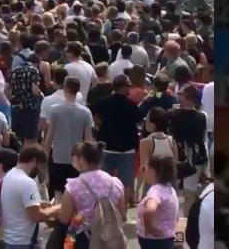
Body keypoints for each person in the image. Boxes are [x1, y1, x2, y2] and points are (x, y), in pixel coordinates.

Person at [57, 141, 126, 249]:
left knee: (68, 239)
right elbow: (122, 214)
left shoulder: (73, 186)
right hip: (111, 237)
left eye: (74, 156)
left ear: (82, 159)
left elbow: (64, 218)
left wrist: (78, 216)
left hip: (83, 238)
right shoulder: (116, 183)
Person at [92, 74, 143, 211]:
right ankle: (123, 212)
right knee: (126, 182)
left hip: (107, 145)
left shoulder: (103, 102)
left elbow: (92, 111)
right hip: (126, 148)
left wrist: (98, 123)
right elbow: (138, 119)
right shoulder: (131, 104)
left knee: (103, 181)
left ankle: (103, 210)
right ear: (124, 87)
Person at [44, 77, 94, 199]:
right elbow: (88, 139)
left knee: (58, 192)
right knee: (76, 192)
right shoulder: (86, 112)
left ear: (65, 89)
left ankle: (60, 215)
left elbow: (49, 136)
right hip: (78, 158)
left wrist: (45, 155)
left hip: (58, 156)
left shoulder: (55, 110)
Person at [0, 146, 55, 249]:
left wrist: (39, 203)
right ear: (34, 161)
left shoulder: (10, 175)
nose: (40, 171)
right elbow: (36, 216)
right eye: (41, 166)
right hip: (23, 242)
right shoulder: (27, 183)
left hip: (11, 240)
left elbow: (19, 202)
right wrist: (56, 209)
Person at [137, 155, 180, 249]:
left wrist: (150, 229)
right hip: (167, 237)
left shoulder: (155, 191)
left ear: (152, 171)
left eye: (145, 169)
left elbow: (149, 210)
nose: (143, 172)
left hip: (154, 241)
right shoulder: (170, 190)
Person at [137, 109, 177, 198]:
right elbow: (175, 163)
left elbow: (143, 167)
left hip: (151, 185)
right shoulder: (171, 140)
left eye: (146, 119)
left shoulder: (146, 142)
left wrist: (136, 192)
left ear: (153, 124)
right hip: (169, 184)